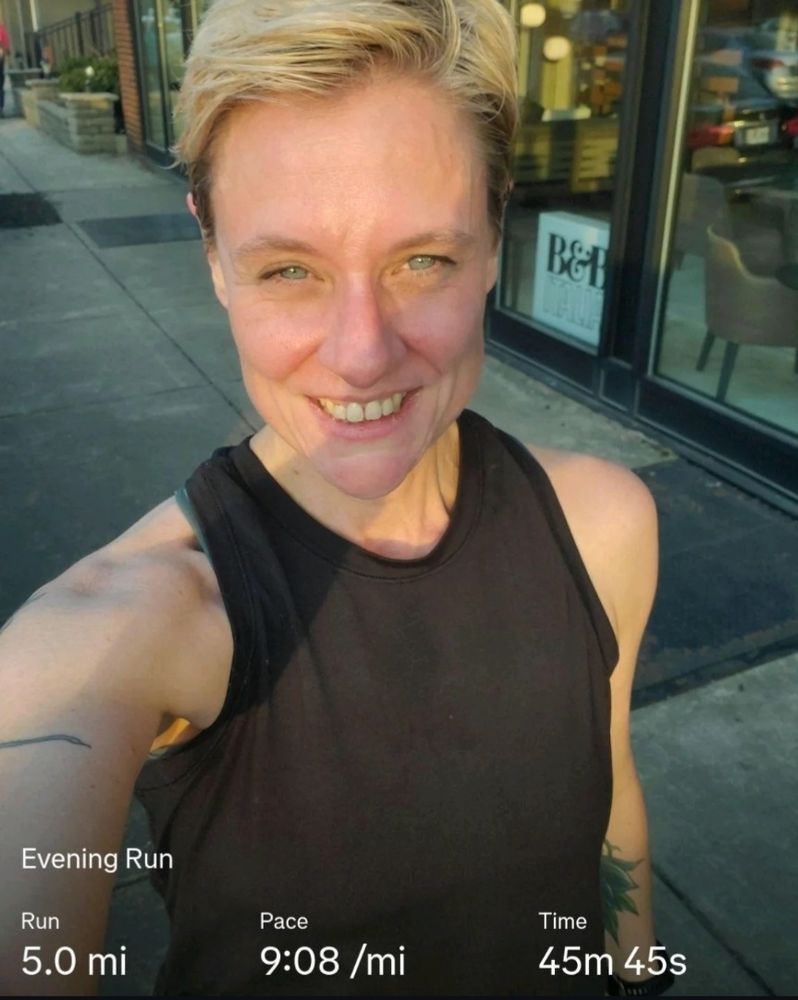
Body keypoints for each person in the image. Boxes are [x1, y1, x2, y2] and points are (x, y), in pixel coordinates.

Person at [0, 0, 673, 995]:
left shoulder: (602, 524)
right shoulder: (112, 635)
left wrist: (640, 976)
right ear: (213, 257)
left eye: (423, 260)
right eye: (289, 269)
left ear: (494, 239)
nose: (362, 354)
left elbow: (609, 786)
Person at [0, 20, 10, 117]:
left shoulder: (1, 30)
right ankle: (1, 108)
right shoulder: (2, 30)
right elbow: (5, 47)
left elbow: (5, 46)